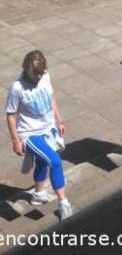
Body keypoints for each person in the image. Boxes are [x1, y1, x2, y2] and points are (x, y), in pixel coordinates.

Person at [5, 50, 73, 220]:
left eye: (41, 72)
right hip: (29, 134)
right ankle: (63, 203)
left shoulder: (45, 76)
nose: (38, 76)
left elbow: (51, 97)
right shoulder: (17, 88)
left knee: (43, 160)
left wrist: (59, 119)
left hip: (48, 129)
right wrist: (16, 141)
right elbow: (11, 115)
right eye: (35, 73)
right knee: (55, 162)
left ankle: (38, 194)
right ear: (26, 68)